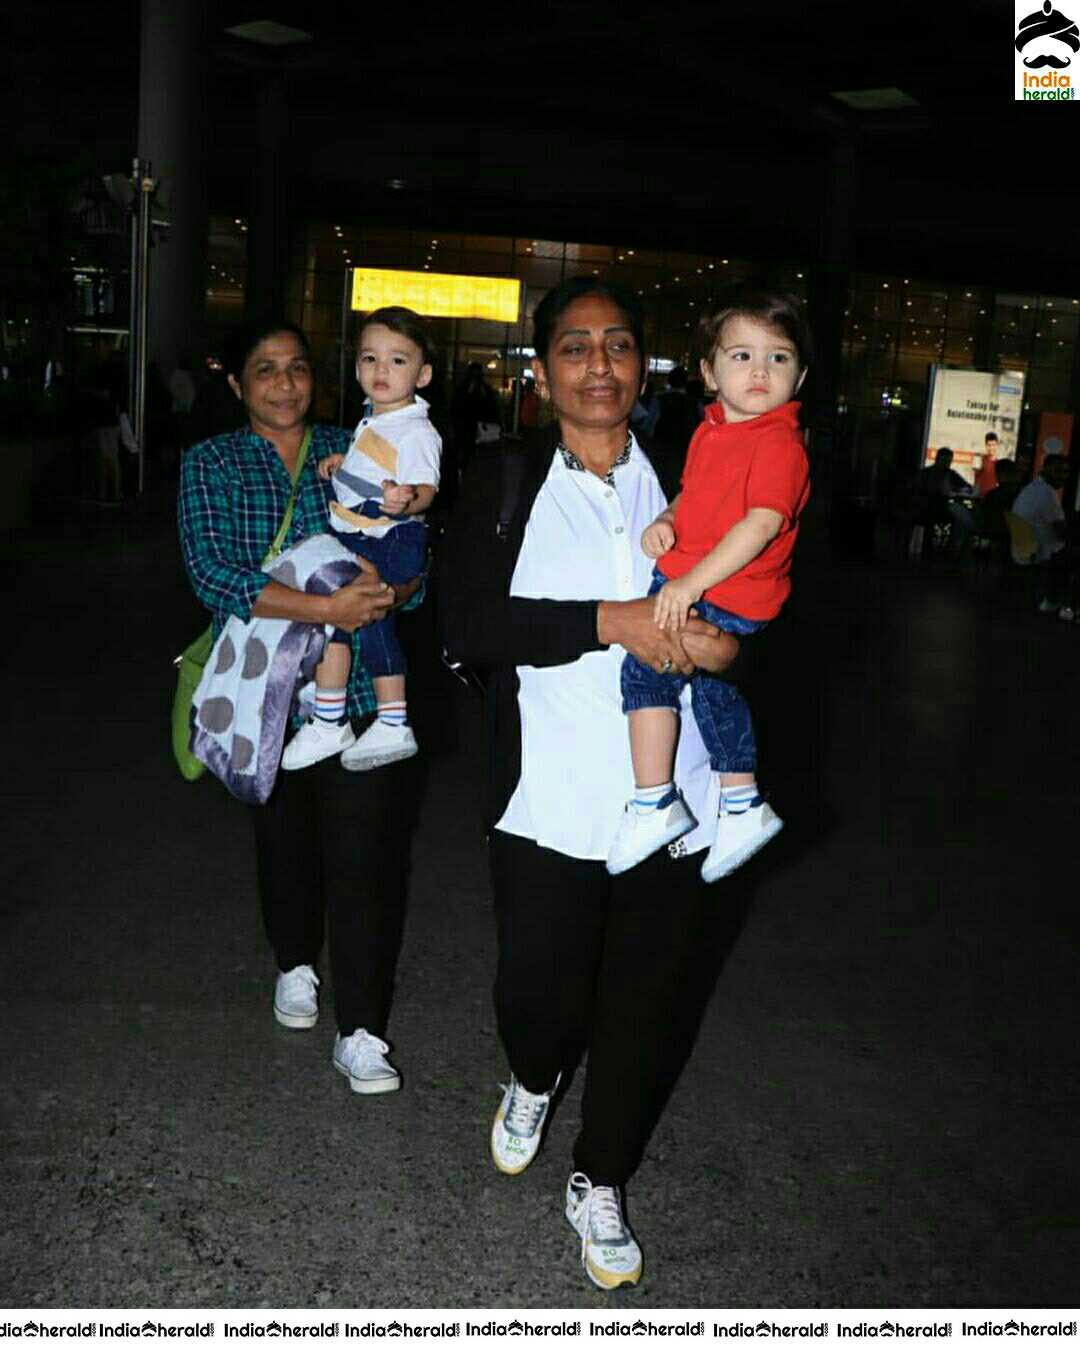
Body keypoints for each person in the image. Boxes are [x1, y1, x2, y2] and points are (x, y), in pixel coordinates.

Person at [440, 277, 740, 1290]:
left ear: (644, 368)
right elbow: (472, 627)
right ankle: (532, 1075)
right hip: (547, 801)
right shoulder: (505, 480)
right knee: (541, 999)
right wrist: (606, 621)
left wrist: (722, 650)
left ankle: (600, 1176)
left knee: (646, 1005)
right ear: (541, 372)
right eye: (576, 347)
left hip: (675, 799)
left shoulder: (701, 482)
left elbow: (757, 615)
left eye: (618, 346)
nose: (599, 364)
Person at [179, 318, 422, 1096]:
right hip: (265, 696)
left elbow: (410, 543)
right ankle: (293, 960)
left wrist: (395, 590)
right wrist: (325, 612)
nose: (284, 384)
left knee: (366, 860)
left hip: (358, 694)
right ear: (236, 384)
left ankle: (362, 1030)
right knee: (283, 842)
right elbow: (214, 575)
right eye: (264, 370)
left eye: (296, 368)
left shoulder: (363, 447)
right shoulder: (209, 463)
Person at [610, 290, 810, 881]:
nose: (759, 371)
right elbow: (697, 497)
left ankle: (653, 802)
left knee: (645, 668)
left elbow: (763, 522)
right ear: (708, 372)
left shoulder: (778, 441)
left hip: (722, 589)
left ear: (800, 377)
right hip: (712, 584)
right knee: (716, 696)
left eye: (778, 358)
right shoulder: (715, 431)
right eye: (742, 356)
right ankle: (742, 801)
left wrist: (690, 582)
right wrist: (669, 519)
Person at [282, 307, 440, 772]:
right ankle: (339, 715)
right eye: (370, 359)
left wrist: (406, 500)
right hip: (365, 533)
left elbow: (426, 489)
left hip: (389, 537)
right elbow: (374, 467)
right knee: (343, 619)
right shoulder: (376, 419)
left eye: (397, 360)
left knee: (361, 616)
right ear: (356, 368)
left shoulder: (416, 429)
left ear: (423, 373)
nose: (381, 370)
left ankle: (376, 720)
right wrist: (341, 464)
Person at [1011, 453, 1076, 614]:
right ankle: (1059, 603)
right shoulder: (1046, 493)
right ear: (1045, 469)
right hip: (1039, 550)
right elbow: (1061, 531)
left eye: (1066, 472)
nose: (1063, 476)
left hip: (1023, 547)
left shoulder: (1033, 488)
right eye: (1058, 471)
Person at [974, 431, 1001, 497]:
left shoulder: (999, 464)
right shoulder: (980, 460)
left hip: (993, 498)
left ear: (997, 445)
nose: (991, 448)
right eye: (989, 445)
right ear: (986, 445)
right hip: (980, 497)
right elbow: (976, 480)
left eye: (994, 445)